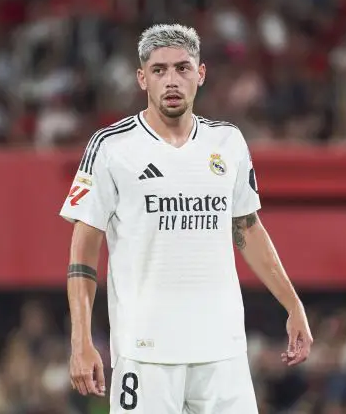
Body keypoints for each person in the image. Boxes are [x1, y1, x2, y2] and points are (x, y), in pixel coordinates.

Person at [59, 23, 313, 414]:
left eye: (182, 68)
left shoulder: (227, 142)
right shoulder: (111, 147)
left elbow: (246, 228)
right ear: (142, 79)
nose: (171, 80)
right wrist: (81, 340)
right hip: (146, 353)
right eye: (159, 70)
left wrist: (293, 304)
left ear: (201, 73)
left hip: (222, 351)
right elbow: (83, 248)